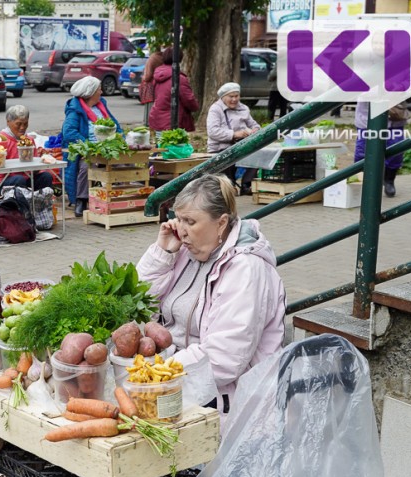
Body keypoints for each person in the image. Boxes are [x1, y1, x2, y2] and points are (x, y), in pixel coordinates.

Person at [136, 174, 286, 419]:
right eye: (178, 219)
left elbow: (225, 356)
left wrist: (157, 373)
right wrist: (162, 254)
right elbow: (137, 304)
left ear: (221, 223)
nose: (181, 231)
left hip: (226, 404)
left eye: (190, 221)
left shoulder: (246, 269)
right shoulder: (185, 251)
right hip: (179, 384)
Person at [62, 76, 122, 217]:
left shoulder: (101, 106)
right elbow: (69, 133)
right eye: (99, 89)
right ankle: (81, 200)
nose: (101, 92)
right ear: (91, 92)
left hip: (106, 149)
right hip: (87, 150)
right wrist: (88, 146)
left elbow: (116, 125)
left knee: (122, 163)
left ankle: (119, 197)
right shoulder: (75, 110)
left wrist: (120, 137)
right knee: (85, 167)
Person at [206, 82, 260, 195]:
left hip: (241, 145)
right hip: (221, 147)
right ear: (223, 97)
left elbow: (254, 125)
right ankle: (229, 186)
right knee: (228, 155)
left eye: (237, 96)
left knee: (258, 153)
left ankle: (247, 185)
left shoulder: (244, 108)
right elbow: (213, 132)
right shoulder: (216, 109)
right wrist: (234, 134)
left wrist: (254, 130)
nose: (234, 99)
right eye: (231, 96)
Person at [354, 101, 409, 197]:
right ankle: (362, 183)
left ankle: (389, 180)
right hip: (367, 119)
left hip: (394, 118)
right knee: (362, 153)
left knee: (396, 150)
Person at [148, 47, 199, 133]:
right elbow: (188, 99)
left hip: (157, 117)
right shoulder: (179, 78)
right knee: (174, 144)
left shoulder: (157, 74)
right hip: (173, 120)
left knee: (160, 144)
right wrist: (195, 107)